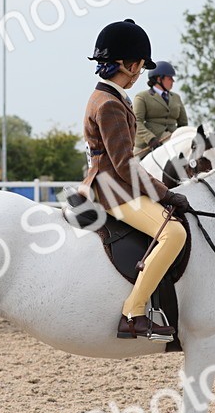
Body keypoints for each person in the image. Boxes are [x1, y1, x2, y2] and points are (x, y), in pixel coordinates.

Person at [81, 19, 190, 341]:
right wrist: (165, 194)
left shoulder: (112, 97)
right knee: (172, 233)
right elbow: (124, 165)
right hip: (110, 190)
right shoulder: (110, 104)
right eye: (140, 66)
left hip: (114, 184)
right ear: (128, 65)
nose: (141, 73)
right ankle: (134, 311)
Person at [132, 61, 188, 157]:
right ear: (159, 79)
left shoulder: (176, 97)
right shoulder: (142, 97)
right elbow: (137, 122)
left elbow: (183, 123)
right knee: (129, 164)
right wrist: (150, 139)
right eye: (170, 78)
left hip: (172, 138)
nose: (173, 81)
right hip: (147, 143)